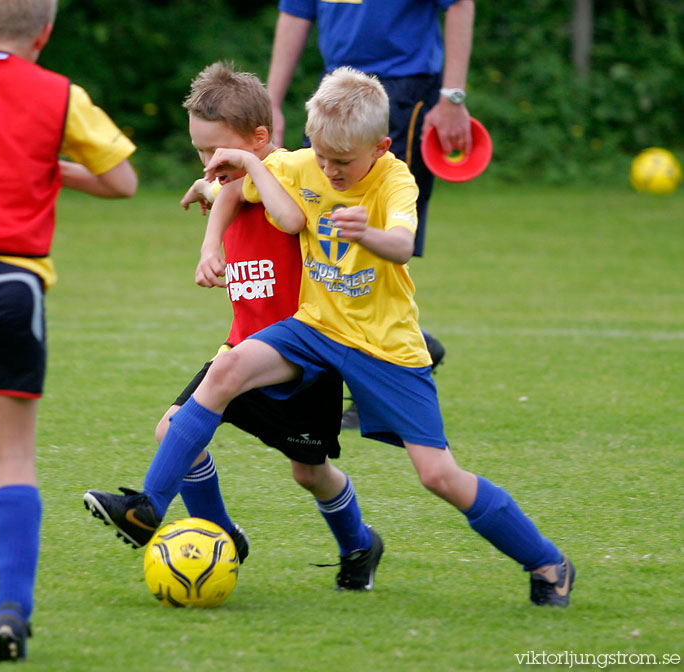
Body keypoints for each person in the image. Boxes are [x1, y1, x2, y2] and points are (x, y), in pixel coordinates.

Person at [86, 67, 575, 607]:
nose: (328, 171)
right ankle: (147, 507)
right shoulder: (302, 163)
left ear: (380, 146)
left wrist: (372, 234)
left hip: (385, 347)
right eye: (321, 157)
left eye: (341, 162)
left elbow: (403, 245)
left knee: (438, 475)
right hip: (314, 329)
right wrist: (216, 204)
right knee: (222, 372)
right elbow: (238, 182)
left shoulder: (395, 180)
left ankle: (548, 562)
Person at [83, 62, 381, 590]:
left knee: (309, 472)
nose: (209, 163)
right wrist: (209, 237)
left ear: (258, 140)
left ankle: (359, 543)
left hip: (301, 358)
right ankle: (219, 535)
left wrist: (226, 186)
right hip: (242, 350)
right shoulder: (232, 182)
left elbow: (287, 214)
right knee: (175, 429)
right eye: (200, 151)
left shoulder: (287, 173)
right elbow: (223, 191)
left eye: (217, 150)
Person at [0, 0, 137, 661]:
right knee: (13, 459)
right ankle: (11, 611)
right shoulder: (58, 95)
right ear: (44, 33)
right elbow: (123, 180)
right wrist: (49, 166)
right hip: (13, 288)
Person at [266, 0, 473, 427]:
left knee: (385, 228)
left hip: (405, 89)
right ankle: (397, 350)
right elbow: (295, 14)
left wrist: (452, 95)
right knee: (326, 228)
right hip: (338, 90)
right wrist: (272, 100)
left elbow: (460, 4)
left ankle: (381, 366)